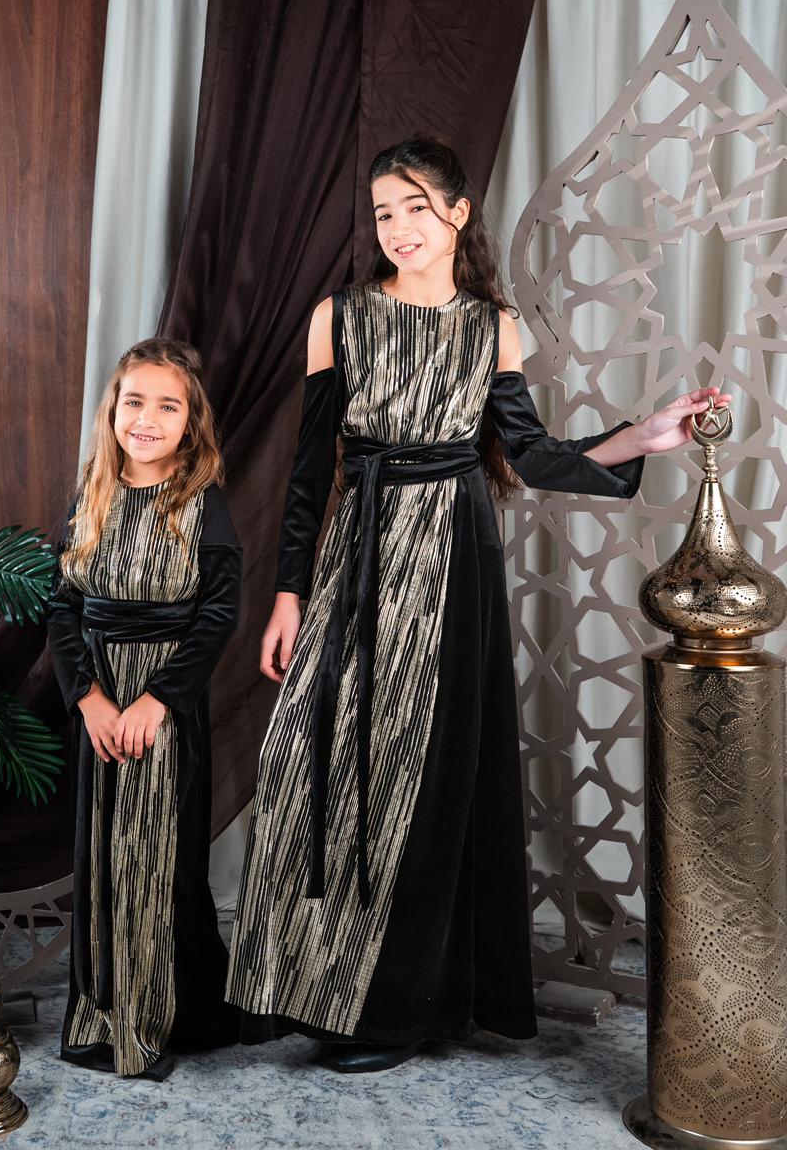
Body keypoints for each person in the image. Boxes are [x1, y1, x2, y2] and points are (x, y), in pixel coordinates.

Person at [225, 135, 731, 1073]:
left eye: (416, 207)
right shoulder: (339, 316)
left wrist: (644, 437)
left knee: (425, 772)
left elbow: (529, 455)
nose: (398, 227)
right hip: (358, 550)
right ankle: (312, 984)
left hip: (454, 558)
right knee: (312, 754)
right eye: (383, 212)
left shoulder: (493, 327)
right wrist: (289, 593)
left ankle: (395, 1010)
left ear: (458, 213)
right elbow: (305, 474)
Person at [47, 338, 242, 1081]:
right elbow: (63, 609)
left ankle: (169, 1013)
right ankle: (103, 1011)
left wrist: (156, 701)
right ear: (113, 411)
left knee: (160, 859)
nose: (148, 419)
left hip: (165, 707)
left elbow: (218, 616)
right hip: (101, 707)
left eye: (168, 406)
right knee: (103, 856)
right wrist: (90, 700)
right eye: (135, 402)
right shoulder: (91, 497)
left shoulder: (202, 504)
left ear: (190, 421)